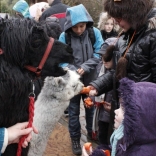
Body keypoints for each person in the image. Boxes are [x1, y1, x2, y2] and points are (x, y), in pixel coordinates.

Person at [88, 0, 156, 142]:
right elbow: (117, 72)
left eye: (119, 18)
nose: (116, 22)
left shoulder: (152, 36)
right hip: (122, 109)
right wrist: (97, 86)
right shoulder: (126, 36)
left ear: (132, 13)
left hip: (142, 116)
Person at [59, 4, 104, 155]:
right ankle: (75, 139)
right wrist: (72, 70)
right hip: (72, 82)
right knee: (73, 111)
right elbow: (61, 59)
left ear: (87, 23)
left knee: (90, 108)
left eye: (82, 26)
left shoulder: (94, 33)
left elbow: (100, 52)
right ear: (69, 25)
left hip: (91, 79)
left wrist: (86, 66)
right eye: (75, 27)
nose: (79, 30)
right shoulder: (64, 37)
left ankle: (92, 134)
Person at [83, 77, 156, 156]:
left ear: (142, 119)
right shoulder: (127, 137)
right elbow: (118, 150)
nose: (115, 111)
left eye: (123, 109)